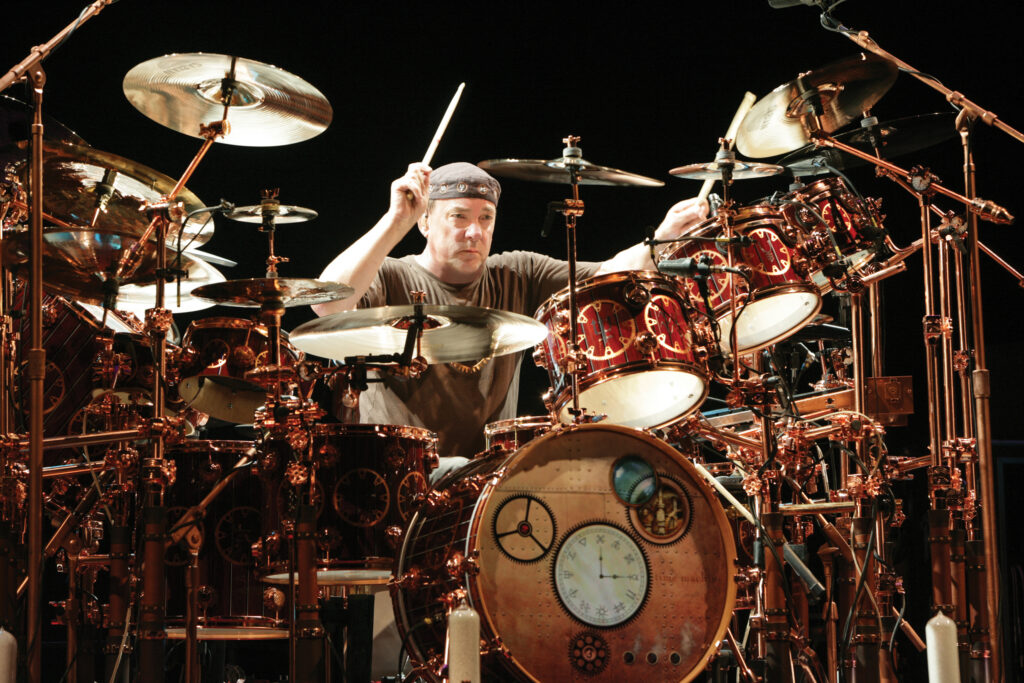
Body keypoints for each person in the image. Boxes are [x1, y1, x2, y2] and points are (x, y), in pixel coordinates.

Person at [313, 161, 707, 459]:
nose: (475, 232)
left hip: (486, 476)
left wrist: (662, 238)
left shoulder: (517, 272)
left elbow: (609, 274)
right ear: (425, 223)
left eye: (485, 219)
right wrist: (395, 220)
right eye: (458, 217)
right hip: (398, 469)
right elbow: (327, 301)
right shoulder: (389, 274)